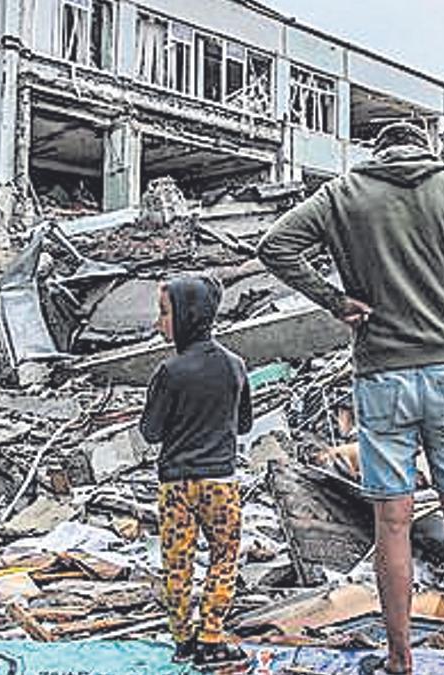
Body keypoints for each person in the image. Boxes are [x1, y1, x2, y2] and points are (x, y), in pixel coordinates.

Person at [258, 122, 444, 675]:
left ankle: (401, 661)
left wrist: (335, 300)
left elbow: (275, 246)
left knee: (392, 521)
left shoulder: (344, 192)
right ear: (426, 148)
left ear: (377, 152)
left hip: (382, 375)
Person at [140, 274, 253, 668]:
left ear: (188, 315)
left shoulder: (169, 372)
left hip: (175, 486)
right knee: (224, 557)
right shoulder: (235, 366)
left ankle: (183, 640)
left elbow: (151, 432)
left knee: (177, 563)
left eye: (164, 313)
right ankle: (212, 636)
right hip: (220, 483)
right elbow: (243, 426)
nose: (159, 323)